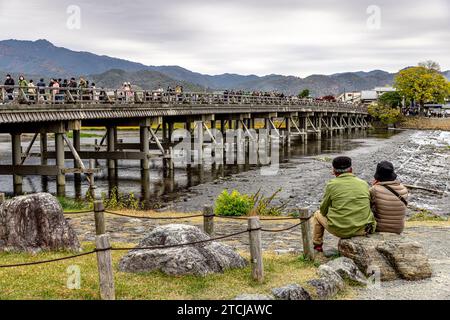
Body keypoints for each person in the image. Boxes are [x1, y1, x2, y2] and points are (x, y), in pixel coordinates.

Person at [312, 156, 377, 252]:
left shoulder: (331, 185)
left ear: (334, 171)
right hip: (363, 229)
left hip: (341, 230)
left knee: (317, 214)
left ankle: (317, 245)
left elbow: (323, 210)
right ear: (351, 170)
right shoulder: (363, 183)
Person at [370, 161, 408, 234]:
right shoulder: (404, 189)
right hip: (398, 229)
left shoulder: (374, 189)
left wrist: (374, 186)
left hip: (379, 228)